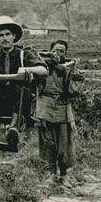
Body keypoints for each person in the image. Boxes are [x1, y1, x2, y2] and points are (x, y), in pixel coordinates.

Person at [0, 16, 46, 145]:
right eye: (1, 35)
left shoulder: (25, 55)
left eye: (7, 34)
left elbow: (44, 70)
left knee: (25, 90)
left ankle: (14, 129)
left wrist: (27, 69)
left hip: (19, 104)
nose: (4, 38)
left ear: (14, 36)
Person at [35, 40, 84, 186]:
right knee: (48, 142)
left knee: (64, 143)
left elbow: (75, 89)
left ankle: (63, 175)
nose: (58, 53)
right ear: (50, 51)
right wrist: (49, 62)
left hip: (62, 108)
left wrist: (70, 70)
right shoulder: (42, 65)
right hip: (44, 106)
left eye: (62, 51)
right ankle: (51, 175)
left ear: (65, 54)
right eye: (55, 50)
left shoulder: (69, 68)